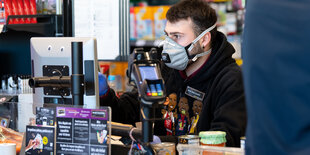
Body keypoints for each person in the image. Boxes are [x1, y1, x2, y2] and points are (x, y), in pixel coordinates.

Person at [100, 0, 246, 147]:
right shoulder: (166, 70)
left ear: (204, 39)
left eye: (177, 36)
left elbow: (224, 141)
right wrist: (104, 95)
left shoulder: (231, 79)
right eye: (167, 36)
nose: (169, 45)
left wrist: (163, 144)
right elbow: (127, 112)